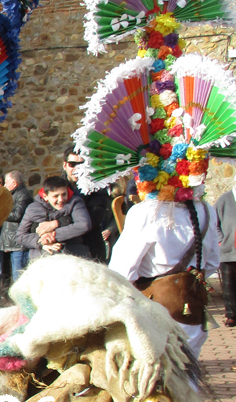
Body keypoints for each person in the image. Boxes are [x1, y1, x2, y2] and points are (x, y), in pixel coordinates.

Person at [111, 197, 219, 357]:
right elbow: (212, 263)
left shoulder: (145, 211)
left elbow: (122, 271)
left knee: (158, 366)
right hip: (194, 306)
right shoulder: (206, 209)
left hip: (155, 307)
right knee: (188, 365)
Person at [16, 175, 91, 259]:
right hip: (42, 257)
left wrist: (53, 235)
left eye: (64, 194)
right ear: (45, 196)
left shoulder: (75, 203)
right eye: (56, 196)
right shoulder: (32, 209)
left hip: (72, 255)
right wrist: (41, 243)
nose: (61, 199)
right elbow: (20, 236)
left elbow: (83, 225)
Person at [64, 146, 115, 262]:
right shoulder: (55, 187)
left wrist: (56, 223)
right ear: (65, 165)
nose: (77, 169)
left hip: (90, 249)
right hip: (63, 250)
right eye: (72, 164)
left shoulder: (96, 189)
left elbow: (89, 222)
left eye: (81, 164)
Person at [0, 171, 32, 282]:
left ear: (14, 183)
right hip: (13, 242)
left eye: (6, 182)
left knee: (19, 276)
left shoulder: (23, 194)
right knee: (13, 274)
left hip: (18, 243)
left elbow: (17, 215)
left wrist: (0, 213)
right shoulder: (13, 194)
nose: (4, 185)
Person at [216, 185, 236, 327]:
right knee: (229, 285)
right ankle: (231, 315)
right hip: (229, 250)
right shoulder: (224, 200)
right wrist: (221, 240)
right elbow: (214, 223)